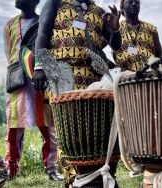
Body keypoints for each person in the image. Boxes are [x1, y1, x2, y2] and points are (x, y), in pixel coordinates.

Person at [33, 0, 121, 186]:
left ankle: (99, 178)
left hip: (94, 79)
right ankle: (73, 180)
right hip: (63, 74)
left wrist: (114, 29)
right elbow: (42, 35)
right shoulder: (55, 3)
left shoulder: (98, 11)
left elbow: (116, 45)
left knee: (94, 132)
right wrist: (39, 66)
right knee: (69, 132)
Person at [3, 0, 62, 181]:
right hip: (18, 81)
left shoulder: (42, 20)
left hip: (39, 78)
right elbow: (10, 52)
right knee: (14, 127)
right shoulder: (9, 24)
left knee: (47, 124)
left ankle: (51, 168)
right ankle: (10, 169)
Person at [112, 0, 162, 71]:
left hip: (150, 76)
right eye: (130, 2)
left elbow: (160, 55)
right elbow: (103, 45)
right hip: (126, 78)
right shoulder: (116, 28)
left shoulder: (151, 28)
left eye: (137, 2)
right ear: (122, 7)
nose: (134, 4)